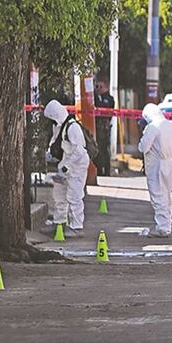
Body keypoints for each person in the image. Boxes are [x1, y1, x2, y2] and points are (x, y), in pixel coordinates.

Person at [44, 99, 90, 237]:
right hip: (65, 164)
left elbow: (79, 152)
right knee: (59, 195)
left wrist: (67, 167)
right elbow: (56, 144)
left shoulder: (72, 127)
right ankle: (59, 223)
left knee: (74, 196)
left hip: (77, 165)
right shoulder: (59, 126)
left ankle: (76, 227)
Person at [138, 104, 172, 237]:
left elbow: (143, 147)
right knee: (166, 195)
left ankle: (162, 227)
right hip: (169, 163)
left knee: (157, 195)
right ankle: (166, 225)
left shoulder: (153, 127)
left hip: (156, 165)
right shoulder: (171, 125)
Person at [93, 79, 115, 176]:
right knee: (98, 148)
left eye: (100, 87)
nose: (98, 89)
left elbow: (106, 109)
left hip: (104, 127)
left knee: (105, 149)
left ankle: (106, 170)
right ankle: (99, 170)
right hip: (98, 127)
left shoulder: (109, 98)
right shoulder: (97, 97)